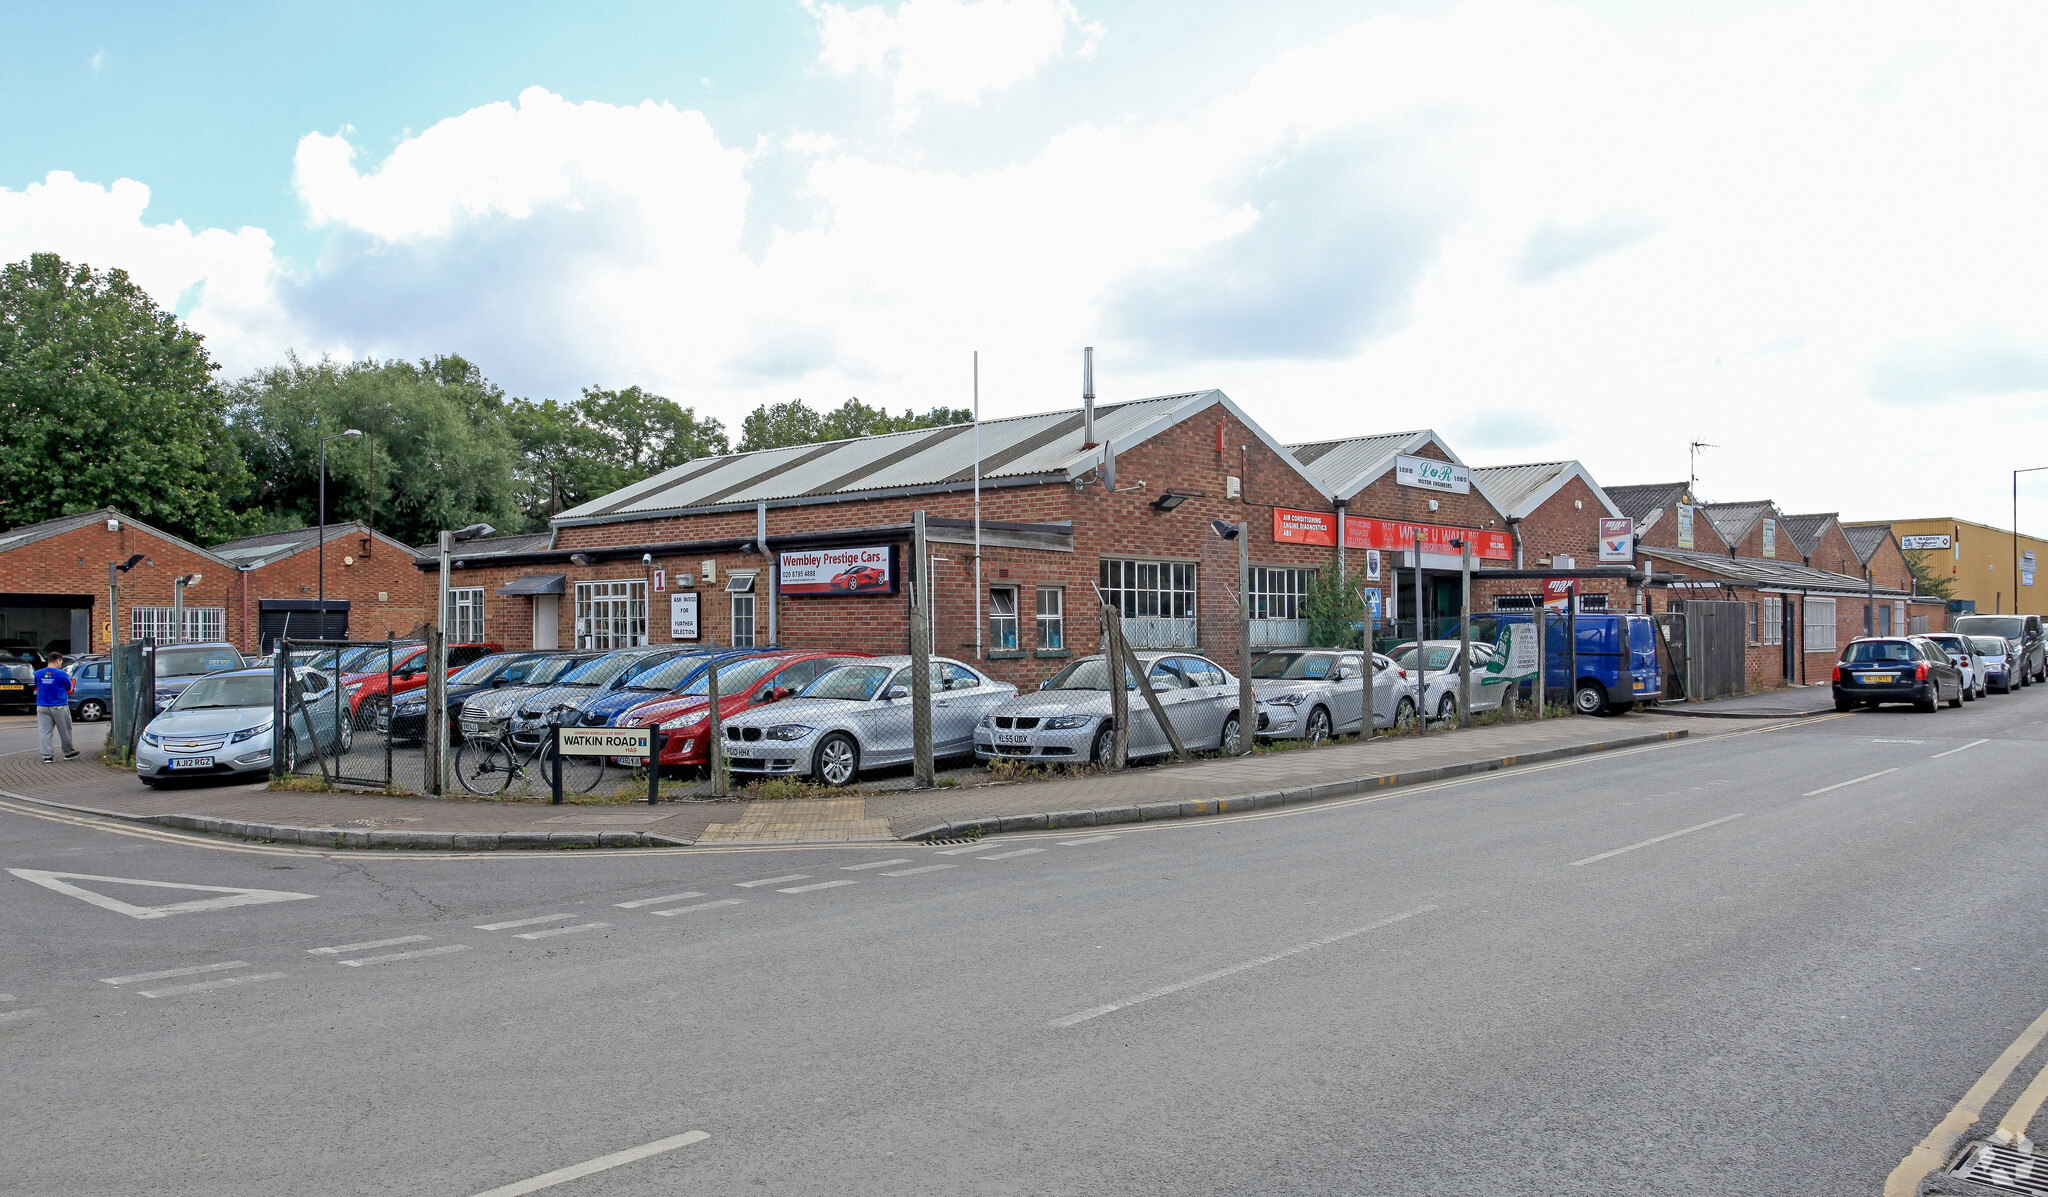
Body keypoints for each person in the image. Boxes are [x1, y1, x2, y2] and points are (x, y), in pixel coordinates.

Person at [35, 653, 78, 763]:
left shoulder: (38, 673)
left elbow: (37, 685)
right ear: (58, 660)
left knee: (45, 731)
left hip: (42, 706)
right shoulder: (62, 674)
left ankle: (47, 755)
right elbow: (69, 687)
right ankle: (68, 752)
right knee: (65, 730)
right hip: (59, 706)